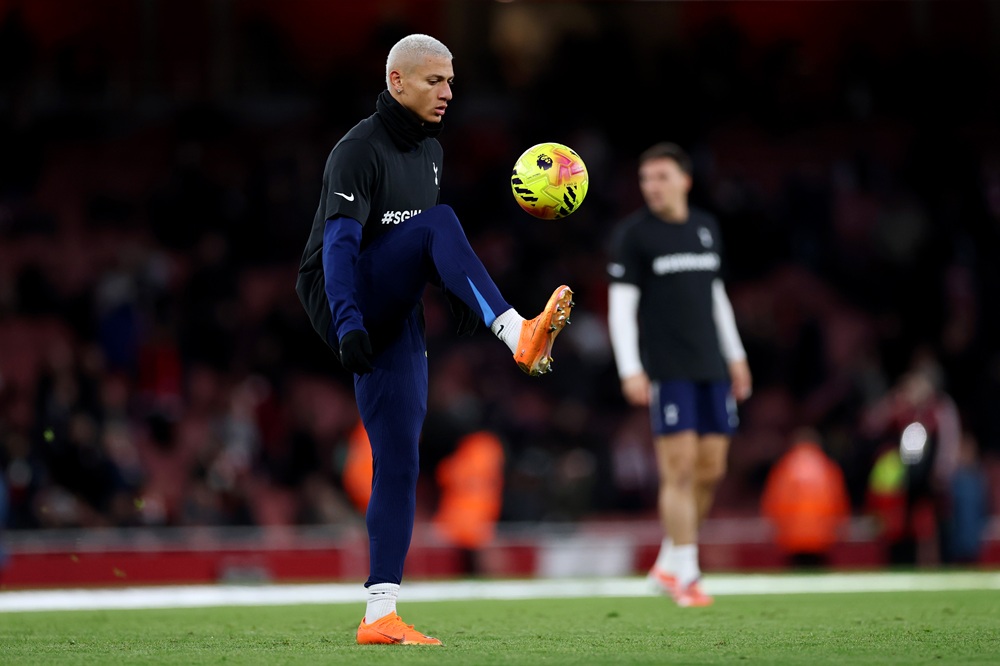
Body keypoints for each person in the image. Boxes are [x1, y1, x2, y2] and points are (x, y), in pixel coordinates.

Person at [295, 34, 574, 646]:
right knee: (441, 220)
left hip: (393, 313)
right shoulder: (356, 151)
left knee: (399, 460)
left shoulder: (431, 153)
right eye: (434, 81)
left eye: (451, 81)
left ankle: (379, 615)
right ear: (397, 82)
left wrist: (456, 302)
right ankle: (517, 333)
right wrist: (346, 323)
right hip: (341, 295)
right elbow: (340, 248)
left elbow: (421, 250)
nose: (448, 92)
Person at [606, 142, 751, 607]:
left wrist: (737, 356)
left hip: (712, 366)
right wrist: (631, 369)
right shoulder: (634, 236)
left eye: (662, 176)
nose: (653, 187)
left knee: (712, 469)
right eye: (646, 179)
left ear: (685, 180)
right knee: (679, 470)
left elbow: (716, 297)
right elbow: (621, 309)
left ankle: (670, 562)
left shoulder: (706, 229)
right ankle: (687, 573)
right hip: (669, 370)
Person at [760, 428, 850, 568]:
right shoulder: (828, 467)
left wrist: (778, 529)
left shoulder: (784, 467)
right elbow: (838, 502)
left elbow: (773, 502)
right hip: (822, 536)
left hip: (791, 537)